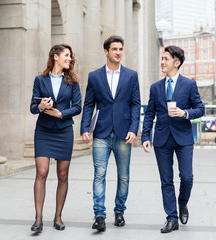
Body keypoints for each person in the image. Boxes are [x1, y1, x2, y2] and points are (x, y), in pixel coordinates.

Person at [81, 35, 141, 231]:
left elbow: (135, 104)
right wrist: (84, 128)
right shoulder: (94, 76)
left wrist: (134, 129)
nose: (118, 52)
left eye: (121, 49)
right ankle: (99, 215)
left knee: (123, 175)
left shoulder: (131, 75)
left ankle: (119, 211)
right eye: (114, 49)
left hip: (124, 133)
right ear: (106, 52)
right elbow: (89, 104)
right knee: (100, 173)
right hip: (101, 132)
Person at [142, 45, 204, 233]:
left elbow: (200, 109)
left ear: (176, 63)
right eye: (162, 58)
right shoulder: (155, 88)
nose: (162, 62)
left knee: (187, 177)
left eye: (166, 59)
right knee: (166, 180)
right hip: (162, 139)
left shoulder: (189, 84)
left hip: (183, 137)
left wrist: (184, 113)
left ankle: (182, 202)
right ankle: (171, 218)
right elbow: (149, 114)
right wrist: (146, 136)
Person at [30, 44, 81, 232]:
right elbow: (32, 107)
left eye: (70, 56)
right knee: (41, 173)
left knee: (62, 174)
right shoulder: (40, 80)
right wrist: (42, 106)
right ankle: (38, 218)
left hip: (64, 130)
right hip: (43, 131)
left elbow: (77, 106)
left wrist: (61, 114)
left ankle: (58, 216)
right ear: (55, 56)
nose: (70, 58)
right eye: (66, 55)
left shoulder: (73, 82)